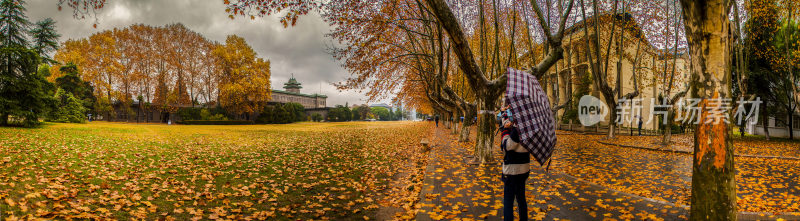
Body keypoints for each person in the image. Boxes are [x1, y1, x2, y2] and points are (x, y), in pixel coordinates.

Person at [497, 105, 529, 221]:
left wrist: (505, 130)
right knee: (521, 199)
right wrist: (503, 112)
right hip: (524, 169)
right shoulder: (529, 127)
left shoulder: (517, 129)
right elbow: (506, 122)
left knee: (508, 201)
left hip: (512, 170)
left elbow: (507, 146)